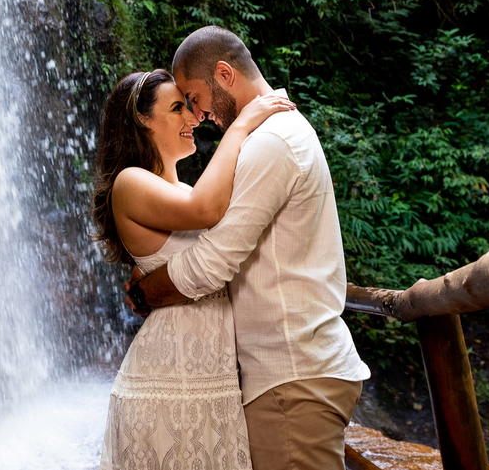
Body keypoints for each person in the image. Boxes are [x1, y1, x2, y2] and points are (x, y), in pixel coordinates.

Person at [127, 26, 370, 470]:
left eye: (194, 99)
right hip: (287, 375)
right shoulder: (268, 137)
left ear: (224, 74)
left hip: (293, 375)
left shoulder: (271, 142)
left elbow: (213, 262)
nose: (198, 116)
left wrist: (147, 291)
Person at [92, 67, 296, 470]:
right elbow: (206, 210)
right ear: (142, 121)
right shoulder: (129, 183)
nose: (192, 119)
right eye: (176, 109)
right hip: (168, 382)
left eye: (189, 107)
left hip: (211, 382)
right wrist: (240, 127)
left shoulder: (183, 189)